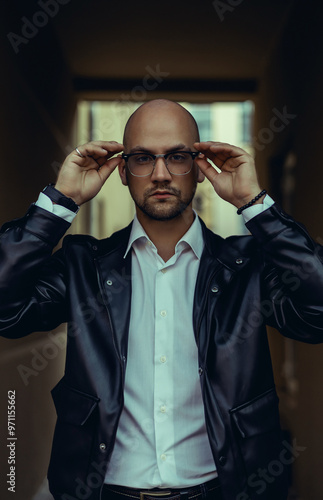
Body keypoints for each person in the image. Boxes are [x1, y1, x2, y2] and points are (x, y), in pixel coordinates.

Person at [0, 99, 323, 500]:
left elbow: (317, 311)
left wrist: (255, 204)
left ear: (201, 168)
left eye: (177, 157)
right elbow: (7, 310)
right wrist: (59, 201)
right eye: (141, 159)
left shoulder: (246, 267)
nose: (160, 174)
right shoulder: (83, 266)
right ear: (122, 171)